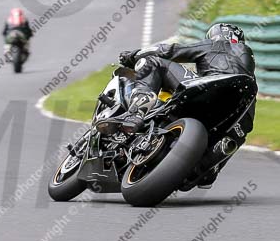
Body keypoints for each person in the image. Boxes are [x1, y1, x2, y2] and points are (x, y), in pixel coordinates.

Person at [98, 23, 256, 183]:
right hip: (235, 116)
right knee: (226, 146)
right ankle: (207, 166)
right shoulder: (249, 77)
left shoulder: (217, 43)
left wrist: (134, 56)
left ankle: (136, 113)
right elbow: (246, 125)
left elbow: (169, 51)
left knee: (153, 62)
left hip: (209, 87)